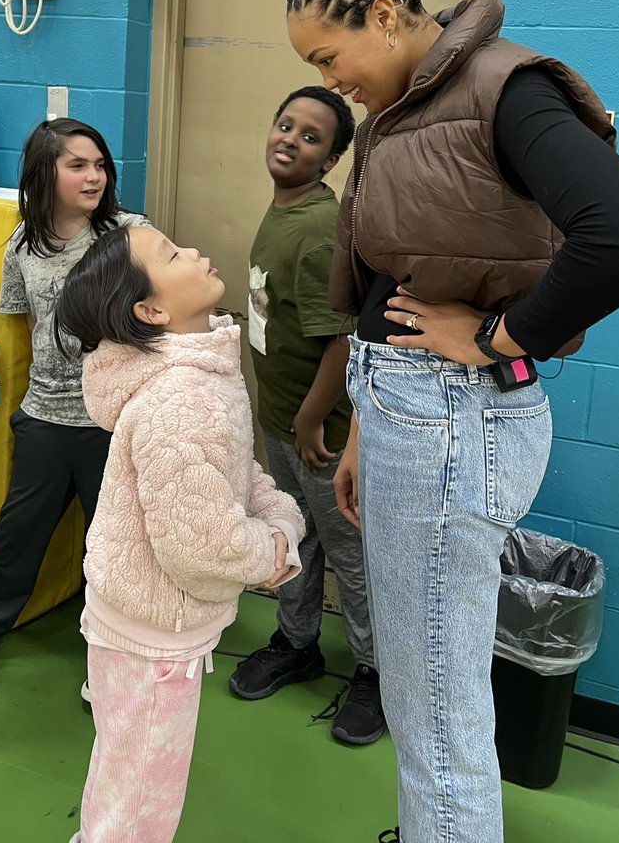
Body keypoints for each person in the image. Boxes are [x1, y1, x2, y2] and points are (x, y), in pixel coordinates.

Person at [285, 0, 619, 843]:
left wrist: (498, 337)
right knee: (427, 694)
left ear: (383, 12)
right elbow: (388, 289)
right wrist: (372, 424)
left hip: (457, 420)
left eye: (331, 58)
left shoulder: (503, 86)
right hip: (416, 418)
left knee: (440, 704)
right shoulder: (406, 111)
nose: (329, 82)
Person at [55, 225, 306, 843]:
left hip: (139, 621)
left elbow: (231, 473)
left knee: (124, 773)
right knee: (140, 801)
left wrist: (279, 516)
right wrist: (274, 546)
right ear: (151, 310)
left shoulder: (195, 373)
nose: (194, 251)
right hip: (154, 638)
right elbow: (202, 548)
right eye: (171, 255)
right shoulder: (182, 397)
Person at [0, 119, 148, 689]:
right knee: (19, 531)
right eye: (77, 165)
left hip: (113, 419)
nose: (94, 176)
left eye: (100, 165)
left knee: (113, 544)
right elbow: (34, 325)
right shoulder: (22, 246)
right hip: (45, 416)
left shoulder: (132, 234)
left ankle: (109, 652)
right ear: (44, 174)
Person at [228, 85, 384, 745]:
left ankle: (378, 675)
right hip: (283, 420)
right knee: (290, 536)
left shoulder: (319, 230)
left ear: (330, 160)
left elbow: (342, 340)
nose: (290, 138)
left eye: (311, 136)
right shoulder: (283, 211)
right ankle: (298, 645)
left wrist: (313, 419)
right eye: (284, 123)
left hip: (322, 431)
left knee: (350, 555)